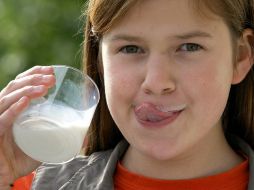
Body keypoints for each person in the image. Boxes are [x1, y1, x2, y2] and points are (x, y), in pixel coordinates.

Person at [1, 0, 254, 189]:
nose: (156, 82)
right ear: (100, 62)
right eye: (130, 48)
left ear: (241, 57)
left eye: (189, 47)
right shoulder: (28, 183)